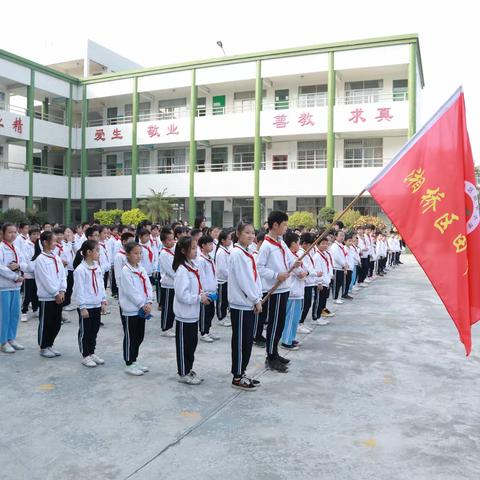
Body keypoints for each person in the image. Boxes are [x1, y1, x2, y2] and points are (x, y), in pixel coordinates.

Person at [257, 211, 300, 372]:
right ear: (275, 225)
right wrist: (276, 275)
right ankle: (270, 356)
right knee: (274, 324)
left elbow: (289, 259)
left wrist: (295, 263)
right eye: (285, 225)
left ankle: (275, 352)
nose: (286, 228)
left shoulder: (280, 242)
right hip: (274, 290)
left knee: (280, 323)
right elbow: (259, 268)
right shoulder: (267, 246)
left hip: (284, 288)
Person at [228, 222, 263, 390]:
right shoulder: (237, 254)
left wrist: (258, 297)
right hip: (241, 305)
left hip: (249, 303)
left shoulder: (247, 252)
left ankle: (242, 372)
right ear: (238, 233)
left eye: (252, 233)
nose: (250, 235)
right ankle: (237, 376)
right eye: (247, 232)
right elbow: (244, 280)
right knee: (241, 342)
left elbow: (254, 278)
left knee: (248, 341)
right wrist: (256, 299)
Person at [173, 236, 209, 385]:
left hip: (193, 314)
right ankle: (183, 372)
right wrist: (199, 298)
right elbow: (182, 295)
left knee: (191, 344)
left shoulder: (192, 266)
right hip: (184, 315)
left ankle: (188, 369)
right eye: (193, 248)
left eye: (196, 248)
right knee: (184, 346)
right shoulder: (182, 270)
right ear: (183, 251)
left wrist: (202, 296)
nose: (196, 251)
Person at [118, 242, 153, 376]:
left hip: (143, 308)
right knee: (131, 336)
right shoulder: (126, 271)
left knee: (139, 335)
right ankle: (129, 362)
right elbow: (130, 292)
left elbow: (148, 286)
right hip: (131, 309)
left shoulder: (141, 269)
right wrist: (142, 304)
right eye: (135, 253)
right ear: (127, 254)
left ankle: (134, 359)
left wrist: (149, 301)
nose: (138, 256)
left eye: (140, 253)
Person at [72, 240, 107, 368]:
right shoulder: (80, 270)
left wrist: (103, 300)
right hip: (86, 306)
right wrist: (82, 307)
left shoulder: (97, 267)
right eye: (97, 250)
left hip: (96, 304)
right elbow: (79, 289)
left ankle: (92, 352)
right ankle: (85, 354)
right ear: (88, 252)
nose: (99, 253)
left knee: (94, 330)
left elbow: (101, 285)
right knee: (85, 331)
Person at [34, 230, 67, 358]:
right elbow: (45, 279)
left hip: (59, 295)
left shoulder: (56, 257)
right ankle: (43, 347)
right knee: (46, 323)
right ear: (45, 242)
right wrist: (55, 293)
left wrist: (62, 290)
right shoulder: (40, 260)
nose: (55, 243)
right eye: (53, 241)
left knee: (56, 323)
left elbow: (62, 274)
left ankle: (50, 345)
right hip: (47, 297)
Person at [0, 223, 26, 353]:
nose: (13, 234)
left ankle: (11, 338)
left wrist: (19, 266)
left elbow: (24, 263)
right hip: (4, 287)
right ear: (3, 233)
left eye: (15, 232)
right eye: (10, 232)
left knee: (15, 314)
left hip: (16, 287)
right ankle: (2, 341)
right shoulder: (1, 248)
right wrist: (15, 277)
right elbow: (1, 268)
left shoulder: (16, 247)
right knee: (4, 315)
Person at [281, 232, 308, 350]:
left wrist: (304, 272)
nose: (299, 245)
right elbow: (301, 273)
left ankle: (291, 338)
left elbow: (304, 271)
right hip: (292, 291)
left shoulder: (294, 255)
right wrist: (303, 273)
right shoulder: (289, 256)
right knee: (290, 318)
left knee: (295, 318)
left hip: (298, 291)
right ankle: (286, 341)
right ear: (292, 244)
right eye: (298, 243)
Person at [197, 235, 219, 342]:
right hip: (206, 292)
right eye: (209, 244)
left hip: (212, 289)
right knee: (204, 312)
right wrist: (204, 292)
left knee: (211, 312)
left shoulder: (210, 258)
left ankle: (208, 330)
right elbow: (201, 277)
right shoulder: (201, 260)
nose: (212, 246)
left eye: (212, 244)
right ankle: (203, 332)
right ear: (203, 245)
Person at [298, 232, 317, 334]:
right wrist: (313, 273)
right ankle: (299, 323)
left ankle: (301, 322)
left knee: (307, 304)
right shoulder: (301, 253)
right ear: (304, 243)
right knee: (305, 304)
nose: (311, 247)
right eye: (310, 245)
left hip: (310, 281)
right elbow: (306, 268)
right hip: (306, 282)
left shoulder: (306, 252)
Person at [312, 236, 334, 325]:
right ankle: (315, 318)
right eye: (323, 244)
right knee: (318, 301)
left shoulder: (325, 254)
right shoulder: (317, 256)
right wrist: (319, 282)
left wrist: (330, 277)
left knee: (323, 301)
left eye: (326, 244)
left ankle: (320, 316)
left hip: (326, 281)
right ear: (317, 245)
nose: (325, 245)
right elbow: (318, 270)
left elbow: (327, 268)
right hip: (320, 283)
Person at [158, 227, 176, 337]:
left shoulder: (172, 251)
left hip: (174, 284)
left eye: (172, 239)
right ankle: (165, 328)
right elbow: (170, 270)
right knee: (167, 308)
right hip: (168, 284)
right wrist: (179, 276)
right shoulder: (164, 253)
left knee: (172, 307)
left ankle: (170, 326)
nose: (172, 241)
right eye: (169, 240)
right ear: (164, 242)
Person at [21, 227, 40, 322]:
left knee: (36, 293)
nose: (36, 236)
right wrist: (32, 269)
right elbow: (27, 259)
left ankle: (35, 310)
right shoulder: (26, 245)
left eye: (37, 234)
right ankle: (24, 311)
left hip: (38, 274)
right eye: (34, 234)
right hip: (29, 273)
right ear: (30, 235)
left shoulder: (39, 244)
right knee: (27, 294)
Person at [214, 229, 232, 327]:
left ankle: (224, 316)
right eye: (228, 239)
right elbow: (222, 269)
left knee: (225, 299)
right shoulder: (221, 252)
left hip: (226, 279)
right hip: (222, 280)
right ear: (222, 241)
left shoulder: (226, 250)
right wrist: (230, 276)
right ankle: (221, 317)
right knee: (221, 300)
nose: (230, 241)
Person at [329, 230, 348, 305]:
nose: (342, 237)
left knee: (340, 283)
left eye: (343, 235)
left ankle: (338, 297)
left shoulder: (341, 245)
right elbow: (336, 257)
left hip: (341, 267)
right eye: (340, 235)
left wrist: (345, 264)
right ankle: (335, 297)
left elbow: (343, 256)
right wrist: (343, 264)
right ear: (336, 237)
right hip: (337, 267)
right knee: (336, 284)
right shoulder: (335, 246)